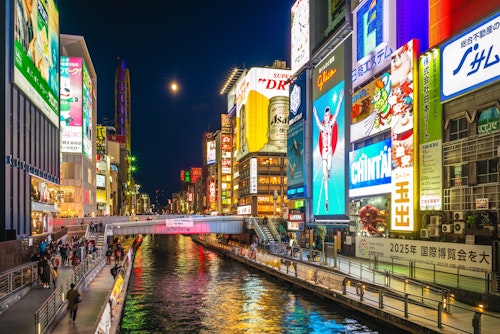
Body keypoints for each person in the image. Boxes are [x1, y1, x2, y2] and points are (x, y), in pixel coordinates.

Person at [313, 88, 344, 212]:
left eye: (327, 115)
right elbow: (316, 121)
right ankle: (326, 200)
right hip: (324, 155)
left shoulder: (331, 125)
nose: (326, 117)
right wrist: (315, 113)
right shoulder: (322, 127)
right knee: (324, 177)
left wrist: (341, 98)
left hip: (329, 151)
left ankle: (329, 170)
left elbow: (336, 112)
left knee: (329, 167)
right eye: (325, 115)